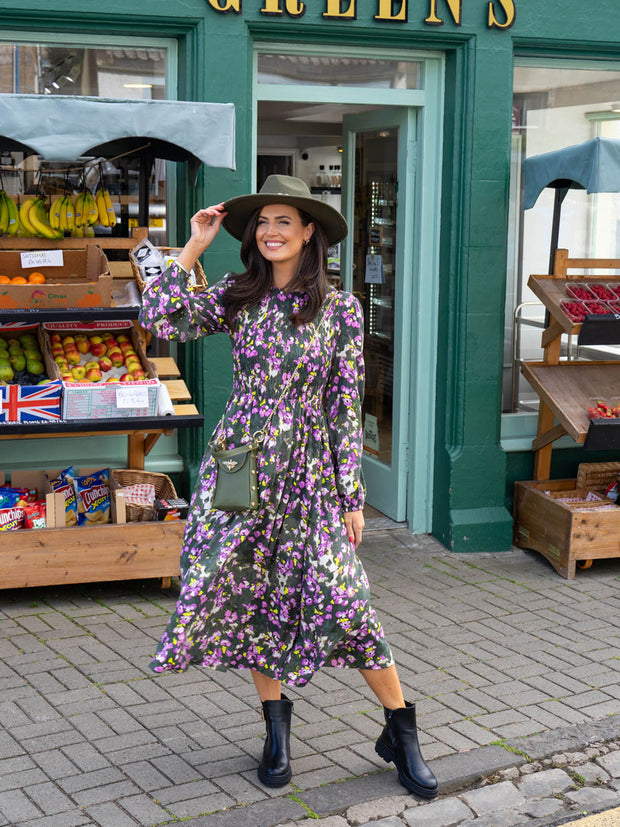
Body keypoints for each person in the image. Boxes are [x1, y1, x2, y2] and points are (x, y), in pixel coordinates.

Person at [139, 175, 438, 799]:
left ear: (309, 232)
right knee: (251, 593)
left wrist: (350, 496)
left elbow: (342, 407)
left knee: (344, 599)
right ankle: (276, 734)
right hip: (241, 466)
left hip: (307, 473)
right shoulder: (238, 294)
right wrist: (192, 247)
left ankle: (400, 729)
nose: (270, 232)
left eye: (284, 221)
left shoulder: (341, 309)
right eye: (263, 222)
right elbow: (160, 316)